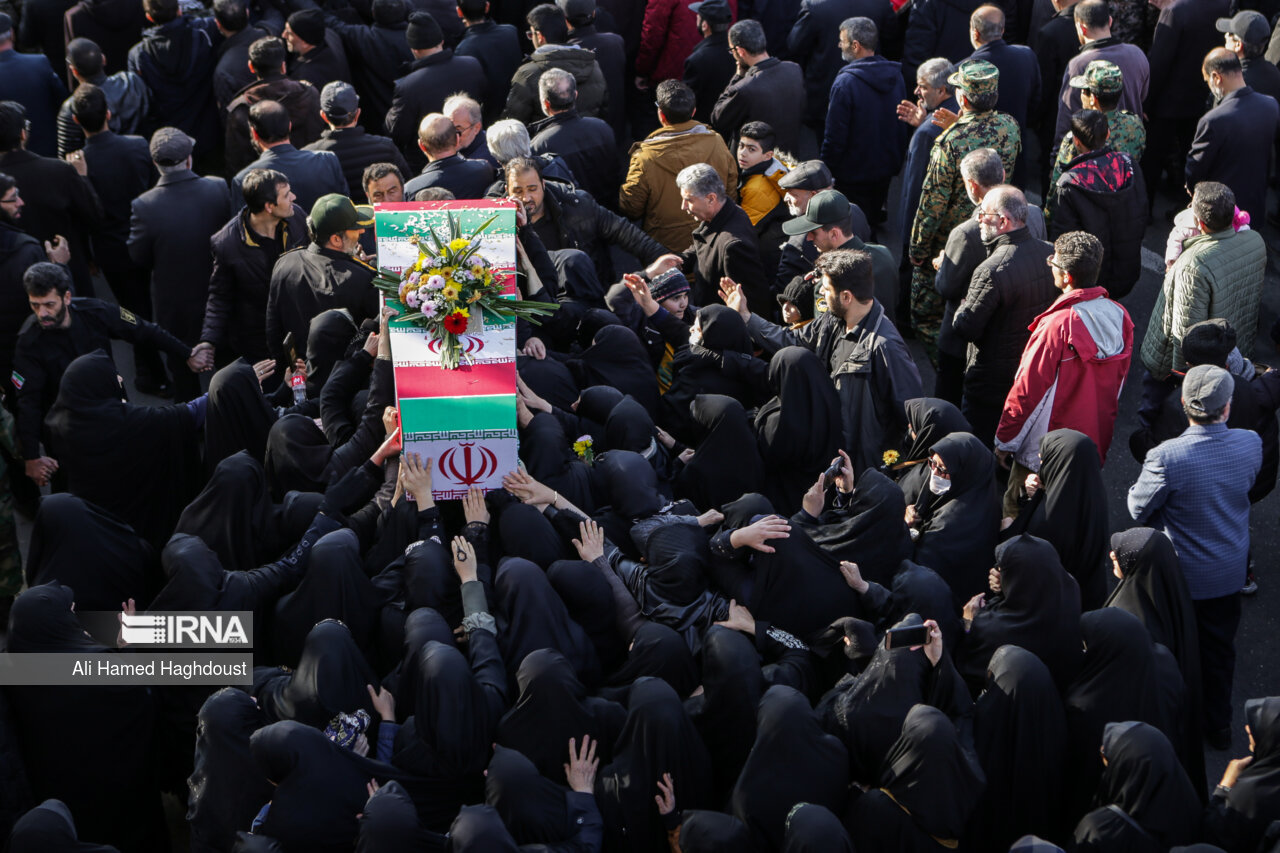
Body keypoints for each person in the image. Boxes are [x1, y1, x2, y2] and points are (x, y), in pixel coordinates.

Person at [1128, 363, 1260, 749]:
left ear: (1184, 403)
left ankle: (1169, 723)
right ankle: (1218, 726)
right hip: (1228, 571)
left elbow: (1139, 508)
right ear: (1228, 407)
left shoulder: (1168, 456)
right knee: (1219, 652)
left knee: (1169, 649)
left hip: (1180, 574)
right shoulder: (1251, 443)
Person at [727, 248, 922, 474]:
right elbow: (793, 341)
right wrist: (747, 318)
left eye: (827, 290)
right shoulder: (833, 319)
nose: (822, 295)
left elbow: (912, 418)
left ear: (846, 297)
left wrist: (891, 471)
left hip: (861, 467)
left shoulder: (885, 347)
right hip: (831, 453)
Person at [13, 262, 206, 488]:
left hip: (112, 409)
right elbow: (28, 403)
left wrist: (186, 353)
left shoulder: (95, 311)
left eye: (48, 305)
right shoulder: (28, 343)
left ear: (66, 298)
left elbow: (143, 329)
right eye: (35, 305)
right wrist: (32, 456)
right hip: (68, 431)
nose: (42, 313)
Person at [995, 231, 1132, 512]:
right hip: (1089, 447)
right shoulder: (1120, 316)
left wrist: (1005, 441)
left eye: (1053, 263)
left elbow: (1027, 391)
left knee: (1017, 515)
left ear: (1067, 276)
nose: (1051, 268)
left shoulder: (1057, 326)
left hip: (1044, 452)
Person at [908, 59, 1019, 366]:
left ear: (963, 98)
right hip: (995, 232)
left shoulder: (949, 142)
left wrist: (917, 249)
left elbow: (932, 204)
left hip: (950, 245)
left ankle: (947, 367)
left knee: (925, 314)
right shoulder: (1009, 126)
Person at [68, 84, 163, 394]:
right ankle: (153, 368)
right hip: (145, 237)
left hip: (111, 250)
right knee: (147, 302)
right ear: (108, 114)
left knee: (131, 308)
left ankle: (151, 372)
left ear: (75, 120)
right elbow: (153, 190)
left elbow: (83, 216)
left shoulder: (77, 165)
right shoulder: (137, 146)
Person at [1140, 182, 1266, 415]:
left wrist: (1182, 386)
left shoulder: (1193, 265)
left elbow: (1183, 332)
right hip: (1233, 354)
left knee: (1155, 421)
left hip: (1188, 371)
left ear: (1199, 222)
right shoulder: (1255, 241)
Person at [129, 127, 233, 401]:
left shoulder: (143, 206)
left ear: (155, 164)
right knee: (232, 371)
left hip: (176, 310)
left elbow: (138, 257)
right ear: (189, 159)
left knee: (183, 378)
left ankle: (192, 431)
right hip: (221, 300)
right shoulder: (218, 187)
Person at [933, 148, 1043, 406]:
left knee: (950, 403)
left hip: (964, 342)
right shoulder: (1033, 213)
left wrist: (942, 266)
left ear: (971, 185)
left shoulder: (966, 233)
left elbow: (946, 287)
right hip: (1017, 333)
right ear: (1003, 173)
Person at [951, 185, 1055, 446]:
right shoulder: (1048, 254)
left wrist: (964, 306)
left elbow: (966, 327)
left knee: (977, 448)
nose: (978, 219)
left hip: (989, 383)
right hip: (1029, 374)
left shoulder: (991, 270)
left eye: (983, 214)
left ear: (1003, 221)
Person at [202, 170, 308, 367]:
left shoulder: (297, 217)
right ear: (269, 207)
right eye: (286, 195)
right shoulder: (227, 244)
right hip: (259, 344)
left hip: (299, 330)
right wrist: (209, 340)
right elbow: (220, 295)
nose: (293, 197)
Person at [619, 79, 737, 253]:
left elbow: (631, 207)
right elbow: (730, 192)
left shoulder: (645, 157)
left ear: (661, 115)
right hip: (712, 243)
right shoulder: (717, 142)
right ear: (694, 111)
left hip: (665, 251)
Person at [505, 157, 664, 286]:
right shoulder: (496, 224)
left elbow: (624, 232)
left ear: (543, 185)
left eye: (532, 189)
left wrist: (664, 259)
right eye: (518, 191)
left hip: (585, 296)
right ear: (507, 191)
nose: (526, 198)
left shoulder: (577, 206)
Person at [0, 100, 102, 297]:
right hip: (69, 274)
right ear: (23, 134)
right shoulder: (59, 170)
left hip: (16, 282)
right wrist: (82, 177)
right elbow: (93, 216)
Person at [265, 194, 379, 368]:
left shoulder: (284, 264)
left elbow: (274, 331)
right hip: (346, 380)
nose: (361, 232)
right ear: (335, 239)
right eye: (355, 228)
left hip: (298, 375)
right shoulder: (362, 280)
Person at [1047, 110, 1146, 300]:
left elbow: (1062, 239)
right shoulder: (1128, 165)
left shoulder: (1070, 183)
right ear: (1107, 134)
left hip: (1086, 282)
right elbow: (1141, 212)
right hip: (1126, 271)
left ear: (1076, 141)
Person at [1142, 0, 1231, 210]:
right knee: (1191, 156)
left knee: (1152, 156)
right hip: (1202, 96)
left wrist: (1147, 101)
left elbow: (1160, 61)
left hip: (1168, 100)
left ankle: (1145, 210)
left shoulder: (1174, 12)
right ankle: (1188, 204)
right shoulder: (1222, 5)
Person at [821, 17, 907, 227]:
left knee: (852, 227)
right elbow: (900, 124)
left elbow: (835, 135)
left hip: (852, 174)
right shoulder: (895, 76)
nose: (839, 45)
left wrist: (827, 170)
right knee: (871, 220)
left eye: (842, 40)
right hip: (884, 169)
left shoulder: (845, 83)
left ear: (855, 45)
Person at [1185, 48, 1280, 229]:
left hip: (1221, 214)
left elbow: (1194, 169)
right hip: (1256, 205)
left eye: (1208, 81)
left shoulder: (1213, 120)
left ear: (1217, 78)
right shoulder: (1271, 105)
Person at [659, 162, 768, 314]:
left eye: (689, 200)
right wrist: (677, 262)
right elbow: (704, 246)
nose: (683, 206)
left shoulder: (734, 246)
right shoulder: (722, 214)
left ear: (711, 199)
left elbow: (751, 303)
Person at [385, 12, 487, 170]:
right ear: (441, 41)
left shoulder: (408, 86)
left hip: (432, 164)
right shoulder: (472, 65)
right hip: (476, 153)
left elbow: (397, 131)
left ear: (414, 50)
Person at [779, 189, 897, 323]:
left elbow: (825, 333)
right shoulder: (884, 254)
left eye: (813, 232)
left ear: (834, 234)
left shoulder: (829, 285)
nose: (809, 238)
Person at [1052, 0, 1149, 150]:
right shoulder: (1137, 54)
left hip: (1092, 155)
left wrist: (1058, 156)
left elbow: (1066, 117)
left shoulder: (1079, 65)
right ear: (1110, 21)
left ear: (1081, 27)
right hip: (1131, 150)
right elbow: (1142, 97)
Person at [1047, 60, 1146, 206]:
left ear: (1093, 98)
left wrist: (1048, 221)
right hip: (1123, 208)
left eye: (1083, 90)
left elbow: (1058, 189)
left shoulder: (1077, 137)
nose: (1081, 94)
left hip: (1087, 212)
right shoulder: (1135, 124)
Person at [224, 36, 325, 176]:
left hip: (269, 189)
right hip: (313, 174)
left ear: (251, 67)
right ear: (283, 66)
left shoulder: (240, 110)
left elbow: (237, 163)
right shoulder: (310, 93)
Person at [774, 160, 872, 296]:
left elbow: (785, 288)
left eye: (794, 194)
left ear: (814, 196)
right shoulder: (855, 210)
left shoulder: (801, 239)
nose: (786, 198)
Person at [965, 5, 1037, 185]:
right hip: (1016, 154)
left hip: (979, 162)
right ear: (1003, 30)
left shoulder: (966, 69)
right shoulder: (1026, 56)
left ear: (975, 33)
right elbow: (1036, 102)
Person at [710, 20, 805, 156]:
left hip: (756, 163)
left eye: (732, 50)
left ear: (740, 51)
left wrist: (737, 76)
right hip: (788, 156)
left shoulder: (745, 88)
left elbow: (718, 118)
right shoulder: (794, 69)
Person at [897, 57, 956, 271]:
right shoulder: (957, 112)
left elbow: (916, 191)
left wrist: (910, 241)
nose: (916, 92)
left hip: (927, 233)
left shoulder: (927, 133)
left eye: (923, 87)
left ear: (941, 91)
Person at [232, 100, 346, 212]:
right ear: (289, 126)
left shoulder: (244, 180)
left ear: (254, 133)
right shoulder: (327, 160)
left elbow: (242, 227)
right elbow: (346, 208)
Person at [303, 81, 410, 200]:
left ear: (323, 116)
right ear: (358, 113)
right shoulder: (386, 147)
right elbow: (407, 186)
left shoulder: (308, 155)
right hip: (381, 217)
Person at [320, 0, 414, 134]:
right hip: (411, 115)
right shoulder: (414, 37)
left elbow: (335, 25)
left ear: (373, 13)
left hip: (377, 116)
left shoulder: (365, 37)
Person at [503, 4, 606, 125]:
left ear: (540, 36)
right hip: (588, 141)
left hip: (543, 142)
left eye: (531, 34)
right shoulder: (593, 66)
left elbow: (514, 122)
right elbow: (604, 110)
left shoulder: (527, 74)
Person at [1202, 696, 1280, 852]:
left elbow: (1212, 837)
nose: (1247, 728)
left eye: (1258, 725)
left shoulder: (1249, 794)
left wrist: (1224, 788)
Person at [529, 67, 617, 205]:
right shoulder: (602, 128)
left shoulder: (539, 144)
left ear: (546, 103)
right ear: (575, 95)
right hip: (608, 209)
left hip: (572, 217)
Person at [55, 36, 148, 157]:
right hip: (142, 156)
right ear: (103, 59)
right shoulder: (131, 81)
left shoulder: (72, 107)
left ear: (74, 71)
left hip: (101, 170)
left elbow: (68, 156)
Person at [0, 12, 67, 157]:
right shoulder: (39, 63)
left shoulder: (39, 62)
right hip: (48, 151)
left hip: (6, 160)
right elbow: (62, 101)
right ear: (12, 33)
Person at [561, 0, 625, 136]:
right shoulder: (615, 42)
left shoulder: (565, 52)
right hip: (616, 130)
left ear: (565, 20)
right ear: (594, 13)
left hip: (584, 134)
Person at [454, 0, 521, 124]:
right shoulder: (510, 31)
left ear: (459, 12)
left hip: (491, 117)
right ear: (487, 7)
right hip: (519, 106)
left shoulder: (463, 49)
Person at [683, 0, 736, 127]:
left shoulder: (697, 60)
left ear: (705, 25)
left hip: (704, 128)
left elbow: (687, 103)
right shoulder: (736, 53)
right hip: (729, 124)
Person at [210, 0, 269, 114]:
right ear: (247, 13)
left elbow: (228, 115)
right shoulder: (269, 36)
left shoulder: (223, 71)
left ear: (218, 24)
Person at [282, 8, 351, 90]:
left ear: (305, 42)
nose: (283, 35)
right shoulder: (329, 35)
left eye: (289, 33)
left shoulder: (307, 77)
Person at [445, 94, 497, 169]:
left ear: (476, 128)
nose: (451, 136)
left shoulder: (483, 164)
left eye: (458, 130)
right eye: (449, 128)